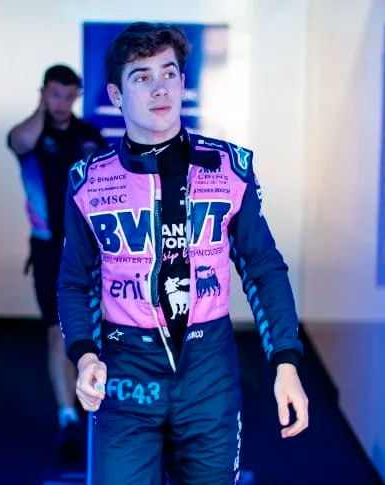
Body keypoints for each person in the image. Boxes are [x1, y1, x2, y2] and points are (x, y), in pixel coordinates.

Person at [58, 22, 309, 484]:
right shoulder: (88, 180)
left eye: (169, 73)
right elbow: (76, 280)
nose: (160, 88)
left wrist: (286, 361)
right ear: (116, 95)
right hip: (125, 370)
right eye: (142, 77)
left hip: (208, 369)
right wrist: (86, 355)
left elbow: (264, 269)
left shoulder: (230, 168)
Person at [7, 64, 106, 461]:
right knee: (56, 333)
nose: (61, 103)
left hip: (88, 249)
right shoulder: (31, 134)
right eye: (54, 94)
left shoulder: (90, 137)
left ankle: (89, 403)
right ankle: (67, 417)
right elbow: (19, 142)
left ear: (77, 95)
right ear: (43, 93)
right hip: (48, 249)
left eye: (67, 95)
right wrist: (41, 110)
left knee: (90, 332)